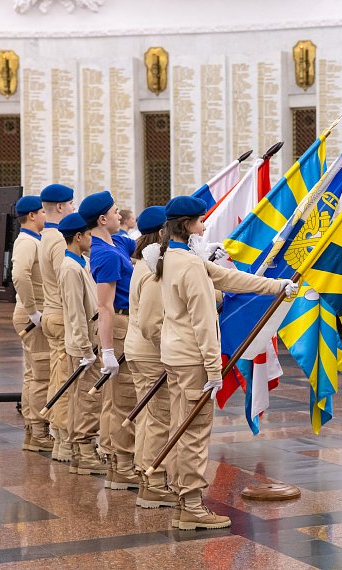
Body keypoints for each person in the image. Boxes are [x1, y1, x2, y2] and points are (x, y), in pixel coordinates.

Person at [154, 195, 293, 530]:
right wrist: (214, 371)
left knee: (181, 425)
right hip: (192, 360)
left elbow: (230, 279)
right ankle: (190, 506)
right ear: (186, 225)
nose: (203, 226)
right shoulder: (187, 264)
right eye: (200, 221)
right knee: (194, 433)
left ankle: (180, 495)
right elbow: (203, 320)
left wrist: (277, 286)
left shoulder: (173, 256)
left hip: (176, 354)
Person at [79, 191, 139, 491]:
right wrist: (108, 351)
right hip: (119, 325)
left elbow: (145, 241)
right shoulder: (104, 254)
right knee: (123, 400)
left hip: (129, 323)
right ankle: (122, 465)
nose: (121, 216)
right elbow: (104, 307)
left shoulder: (117, 242)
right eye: (116, 212)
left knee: (125, 398)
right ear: (102, 219)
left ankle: (122, 462)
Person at [123, 206, 180, 508]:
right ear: (161, 233)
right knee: (159, 417)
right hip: (150, 353)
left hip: (137, 350)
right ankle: (156, 483)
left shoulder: (141, 263)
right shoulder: (155, 268)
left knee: (148, 415)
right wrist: (168, 345)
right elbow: (150, 324)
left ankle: (146, 474)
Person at [57, 213, 105, 477]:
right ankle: (85, 453)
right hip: (83, 344)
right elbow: (75, 312)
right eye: (88, 235)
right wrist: (86, 350)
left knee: (80, 398)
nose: (91, 239)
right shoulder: (70, 268)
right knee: (87, 399)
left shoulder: (79, 263)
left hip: (86, 341)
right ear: (78, 237)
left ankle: (78, 450)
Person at [37, 183, 76, 463]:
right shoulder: (61, 240)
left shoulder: (44, 236)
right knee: (65, 381)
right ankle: (63, 441)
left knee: (56, 375)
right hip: (63, 315)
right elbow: (67, 282)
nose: (73, 208)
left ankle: (58, 434)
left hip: (50, 313)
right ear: (61, 207)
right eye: (71, 204)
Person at [11, 196, 52, 453]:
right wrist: (33, 310)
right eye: (42, 213)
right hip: (32, 314)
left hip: (32, 311)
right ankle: (38, 431)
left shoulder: (34, 240)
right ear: (33, 215)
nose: (45, 217)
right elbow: (19, 276)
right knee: (42, 375)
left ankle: (30, 429)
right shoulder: (27, 241)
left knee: (32, 374)